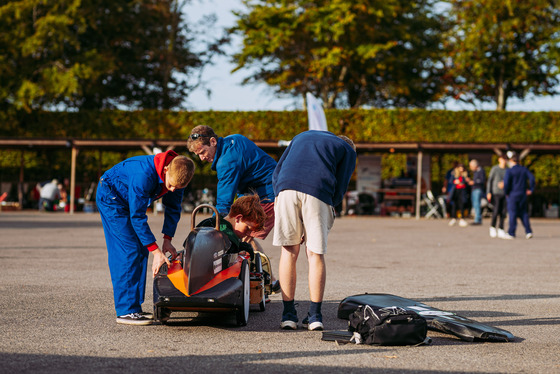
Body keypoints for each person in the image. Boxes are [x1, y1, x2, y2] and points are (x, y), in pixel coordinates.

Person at [96, 150, 195, 325]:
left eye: (177, 188)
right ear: (165, 170)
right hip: (111, 197)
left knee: (142, 248)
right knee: (129, 249)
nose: (171, 190)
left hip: (128, 197)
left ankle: (134, 308)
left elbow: (173, 209)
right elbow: (137, 217)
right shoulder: (143, 174)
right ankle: (126, 311)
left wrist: (167, 240)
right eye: (170, 185)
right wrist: (156, 252)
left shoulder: (179, 174)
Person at [272, 130, 357, 331]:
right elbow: (341, 183)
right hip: (318, 190)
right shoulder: (347, 149)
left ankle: (288, 315)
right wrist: (332, 204)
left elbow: (277, 170)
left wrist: (278, 192)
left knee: (288, 252)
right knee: (315, 254)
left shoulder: (301, 135)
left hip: (285, 188)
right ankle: (315, 316)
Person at [186, 125, 280, 291]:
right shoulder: (233, 139)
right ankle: (257, 280)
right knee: (235, 231)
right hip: (253, 190)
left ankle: (265, 282)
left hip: (267, 193)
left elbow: (224, 200)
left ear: (213, 141)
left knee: (244, 236)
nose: (201, 158)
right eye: (197, 155)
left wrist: (215, 221)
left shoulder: (227, 161)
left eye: (202, 152)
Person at [196, 194, 268, 258]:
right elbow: (232, 246)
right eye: (247, 229)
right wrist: (242, 247)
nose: (248, 234)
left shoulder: (214, 220)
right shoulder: (226, 232)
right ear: (238, 218)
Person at [503, 152, 535, 239]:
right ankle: (528, 231)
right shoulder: (524, 169)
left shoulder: (509, 171)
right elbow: (532, 178)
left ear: (511, 161)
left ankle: (511, 232)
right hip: (522, 194)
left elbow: (506, 183)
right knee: (523, 213)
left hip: (512, 194)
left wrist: (506, 192)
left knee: (512, 213)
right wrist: (531, 189)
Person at [487, 155, 508, 238]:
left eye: (505, 159)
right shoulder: (495, 169)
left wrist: (505, 184)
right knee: (496, 210)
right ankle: (492, 227)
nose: (504, 161)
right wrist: (488, 192)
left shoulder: (508, 170)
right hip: (496, 192)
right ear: (499, 160)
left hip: (505, 193)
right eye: (503, 159)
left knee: (503, 212)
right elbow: (490, 180)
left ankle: (501, 228)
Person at [468, 159, 486, 225]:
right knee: (475, 205)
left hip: (478, 189)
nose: (470, 168)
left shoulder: (481, 171)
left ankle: (477, 220)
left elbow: (482, 180)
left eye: (471, 166)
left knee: (477, 204)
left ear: (474, 165)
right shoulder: (475, 172)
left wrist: (473, 182)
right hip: (474, 189)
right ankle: (477, 218)